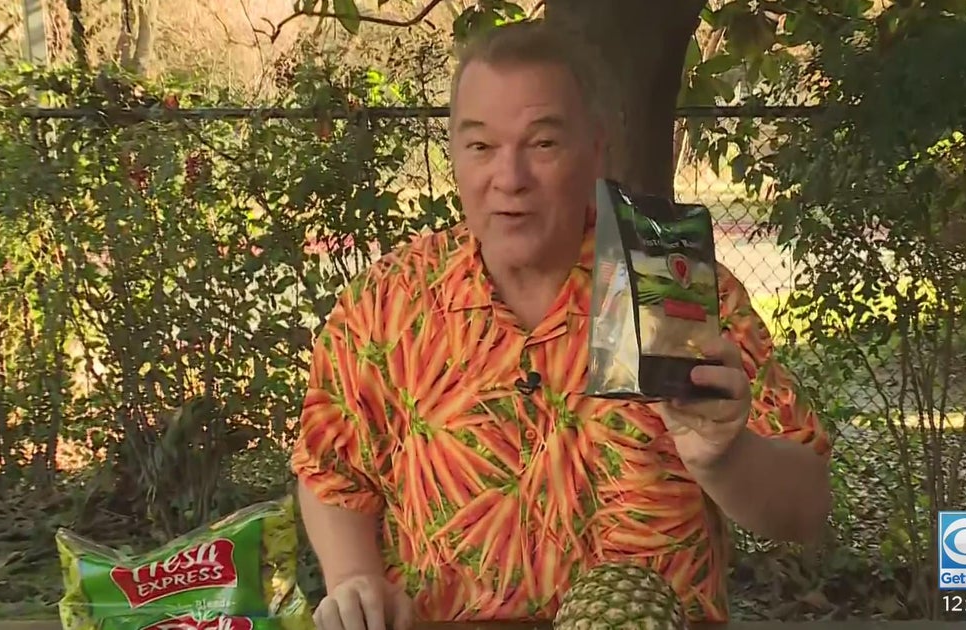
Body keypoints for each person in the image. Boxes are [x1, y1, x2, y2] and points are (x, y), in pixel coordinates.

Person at [290, 19, 832, 630]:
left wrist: (724, 459)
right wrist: (354, 579)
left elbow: (808, 508)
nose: (510, 177)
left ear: (597, 150)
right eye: (482, 146)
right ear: (455, 156)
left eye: (543, 144)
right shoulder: (390, 303)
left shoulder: (668, 281)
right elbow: (331, 472)